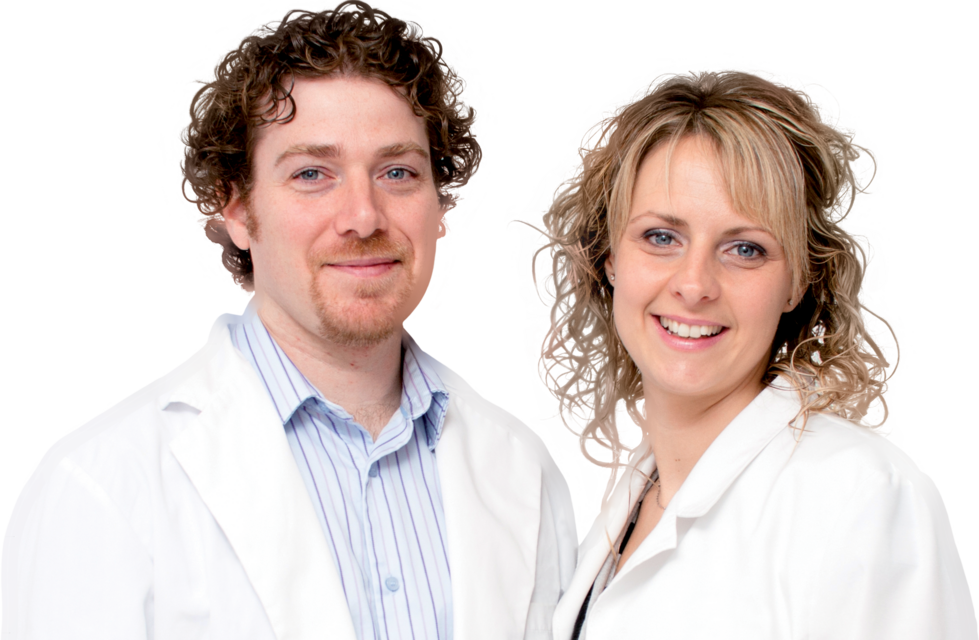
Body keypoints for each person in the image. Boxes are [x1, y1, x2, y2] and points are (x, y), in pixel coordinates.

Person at [1, 2, 576, 638]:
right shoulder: (102, 484)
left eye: (397, 172)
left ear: (439, 204)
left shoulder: (523, 469)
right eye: (311, 173)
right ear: (237, 208)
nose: (363, 216)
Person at [511, 63, 976, 639]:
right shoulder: (626, 504)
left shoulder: (859, 496)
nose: (694, 284)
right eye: (661, 237)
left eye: (745, 249)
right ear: (609, 257)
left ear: (798, 280)